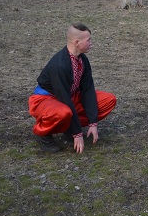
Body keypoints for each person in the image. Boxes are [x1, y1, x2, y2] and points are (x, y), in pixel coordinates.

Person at [28, 24, 117, 153]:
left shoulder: (82, 59)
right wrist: (77, 133)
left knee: (108, 100)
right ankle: (43, 134)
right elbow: (63, 97)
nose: (91, 43)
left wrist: (93, 123)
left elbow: (87, 89)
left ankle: (68, 127)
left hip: (69, 96)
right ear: (77, 42)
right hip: (46, 100)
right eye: (88, 40)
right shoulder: (59, 65)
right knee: (63, 112)